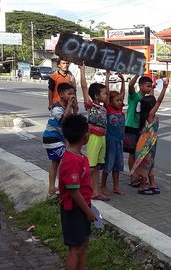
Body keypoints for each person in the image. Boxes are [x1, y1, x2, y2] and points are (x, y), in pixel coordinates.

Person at [58, 114, 95, 270]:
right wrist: (89, 212)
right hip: (74, 210)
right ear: (85, 136)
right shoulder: (71, 161)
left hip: (83, 207)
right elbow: (74, 193)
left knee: (83, 244)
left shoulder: (78, 156)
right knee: (75, 248)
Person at [131, 77, 169, 195]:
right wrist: (164, 88)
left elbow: (151, 100)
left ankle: (152, 184)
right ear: (151, 107)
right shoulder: (151, 115)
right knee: (146, 165)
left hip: (151, 143)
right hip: (147, 145)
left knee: (151, 164)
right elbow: (158, 101)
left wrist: (152, 88)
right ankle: (143, 186)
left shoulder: (146, 113)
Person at [42, 83, 78, 197]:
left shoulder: (67, 107)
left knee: (56, 162)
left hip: (59, 138)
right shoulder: (56, 108)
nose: (72, 96)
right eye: (69, 94)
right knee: (65, 160)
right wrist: (69, 107)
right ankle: (59, 186)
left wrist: (74, 108)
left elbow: (71, 122)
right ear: (61, 94)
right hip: (51, 138)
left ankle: (52, 187)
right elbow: (63, 121)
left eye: (73, 94)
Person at [80, 63, 109, 201]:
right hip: (93, 138)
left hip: (102, 137)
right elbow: (84, 87)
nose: (106, 95)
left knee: (97, 166)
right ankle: (78, 188)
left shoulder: (103, 107)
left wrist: (108, 76)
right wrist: (82, 71)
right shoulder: (90, 105)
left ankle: (95, 192)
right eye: (104, 93)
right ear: (96, 96)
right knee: (91, 167)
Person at [123, 74, 154, 187]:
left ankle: (140, 174)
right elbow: (130, 85)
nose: (150, 89)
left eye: (151, 87)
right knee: (132, 153)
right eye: (148, 86)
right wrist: (136, 74)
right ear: (141, 86)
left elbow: (153, 101)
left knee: (140, 153)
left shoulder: (146, 99)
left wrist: (153, 89)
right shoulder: (134, 96)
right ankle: (133, 175)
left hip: (142, 128)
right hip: (131, 126)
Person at [101, 71, 126, 196]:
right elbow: (106, 92)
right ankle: (103, 185)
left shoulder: (120, 109)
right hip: (110, 140)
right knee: (108, 164)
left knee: (118, 165)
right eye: (117, 100)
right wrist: (107, 77)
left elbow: (122, 93)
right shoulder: (108, 108)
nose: (120, 102)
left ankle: (116, 186)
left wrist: (122, 80)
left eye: (121, 100)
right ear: (110, 102)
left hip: (119, 141)